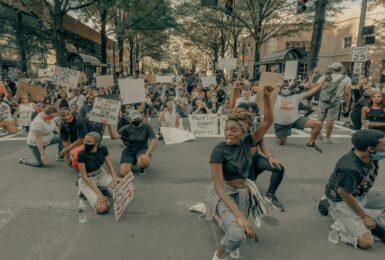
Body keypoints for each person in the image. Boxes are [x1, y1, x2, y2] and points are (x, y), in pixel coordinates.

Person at [205, 86, 274, 260]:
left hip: (243, 191)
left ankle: (216, 216)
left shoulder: (247, 142)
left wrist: (266, 97)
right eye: (227, 129)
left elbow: (268, 122)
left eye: (233, 130)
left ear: (243, 130)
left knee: (238, 229)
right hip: (224, 192)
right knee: (237, 234)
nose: (228, 133)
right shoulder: (218, 151)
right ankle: (219, 255)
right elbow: (219, 188)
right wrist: (240, 216)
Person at [322, 129, 385, 248]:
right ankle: (332, 210)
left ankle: (368, 223)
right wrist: (364, 216)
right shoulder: (350, 168)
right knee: (366, 242)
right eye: (384, 145)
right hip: (342, 200)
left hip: (361, 193)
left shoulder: (369, 155)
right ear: (370, 149)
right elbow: (344, 193)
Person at [274, 81, 323, 152]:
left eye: (288, 89)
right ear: (280, 90)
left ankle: (310, 143)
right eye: (284, 88)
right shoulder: (276, 97)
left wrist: (322, 84)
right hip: (282, 124)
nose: (286, 90)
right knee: (281, 143)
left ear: (291, 90)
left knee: (318, 124)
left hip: (296, 120)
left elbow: (310, 92)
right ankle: (279, 134)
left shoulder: (296, 97)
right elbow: (268, 87)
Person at [77, 132, 120, 214]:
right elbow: (84, 176)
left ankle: (101, 189)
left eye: (89, 142)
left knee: (119, 193)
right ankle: (88, 190)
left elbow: (110, 166)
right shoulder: (81, 154)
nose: (86, 143)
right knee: (102, 208)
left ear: (97, 142)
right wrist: (98, 193)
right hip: (87, 180)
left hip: (101, 174)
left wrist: (115, 178)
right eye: (85, 141)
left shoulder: (103, 149)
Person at [106, 110, 157, 176]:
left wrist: (147, 154)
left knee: (144, 162)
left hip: (142, 149)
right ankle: (132, 162)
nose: (136, 120)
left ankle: (142, 168)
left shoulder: (146, 127)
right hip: (129, 150)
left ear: (141, 118)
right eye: (134, 119)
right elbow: (114, 137)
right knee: (123, 173)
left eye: (138, 118)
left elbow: (154, 140)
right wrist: (109, 126)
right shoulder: (126, 128)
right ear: (130, 119)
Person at [317, 62, 352, 144]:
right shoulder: (346, 79)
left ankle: (318, 134)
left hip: (323, 99)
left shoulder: (325, 77)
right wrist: (347, 105)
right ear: (341, 69)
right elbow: (347, 93)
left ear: (332, 69)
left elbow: (316, 87)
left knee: (320, 118)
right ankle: (328, 138)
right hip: (336, 101)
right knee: (330, 119)